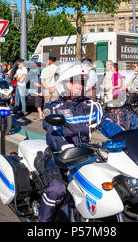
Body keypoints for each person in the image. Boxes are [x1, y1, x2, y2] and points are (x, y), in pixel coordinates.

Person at [38, 61, 102, 222]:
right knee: (57, 189)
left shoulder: (88, 106)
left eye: (80, 82)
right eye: (73, 81)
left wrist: (127, 134)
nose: (78, 86)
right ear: (62, 84)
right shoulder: (52, 107)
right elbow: (53, 133)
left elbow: (108, 123)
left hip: (86, 156)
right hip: (59, 158)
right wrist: (65, 147)